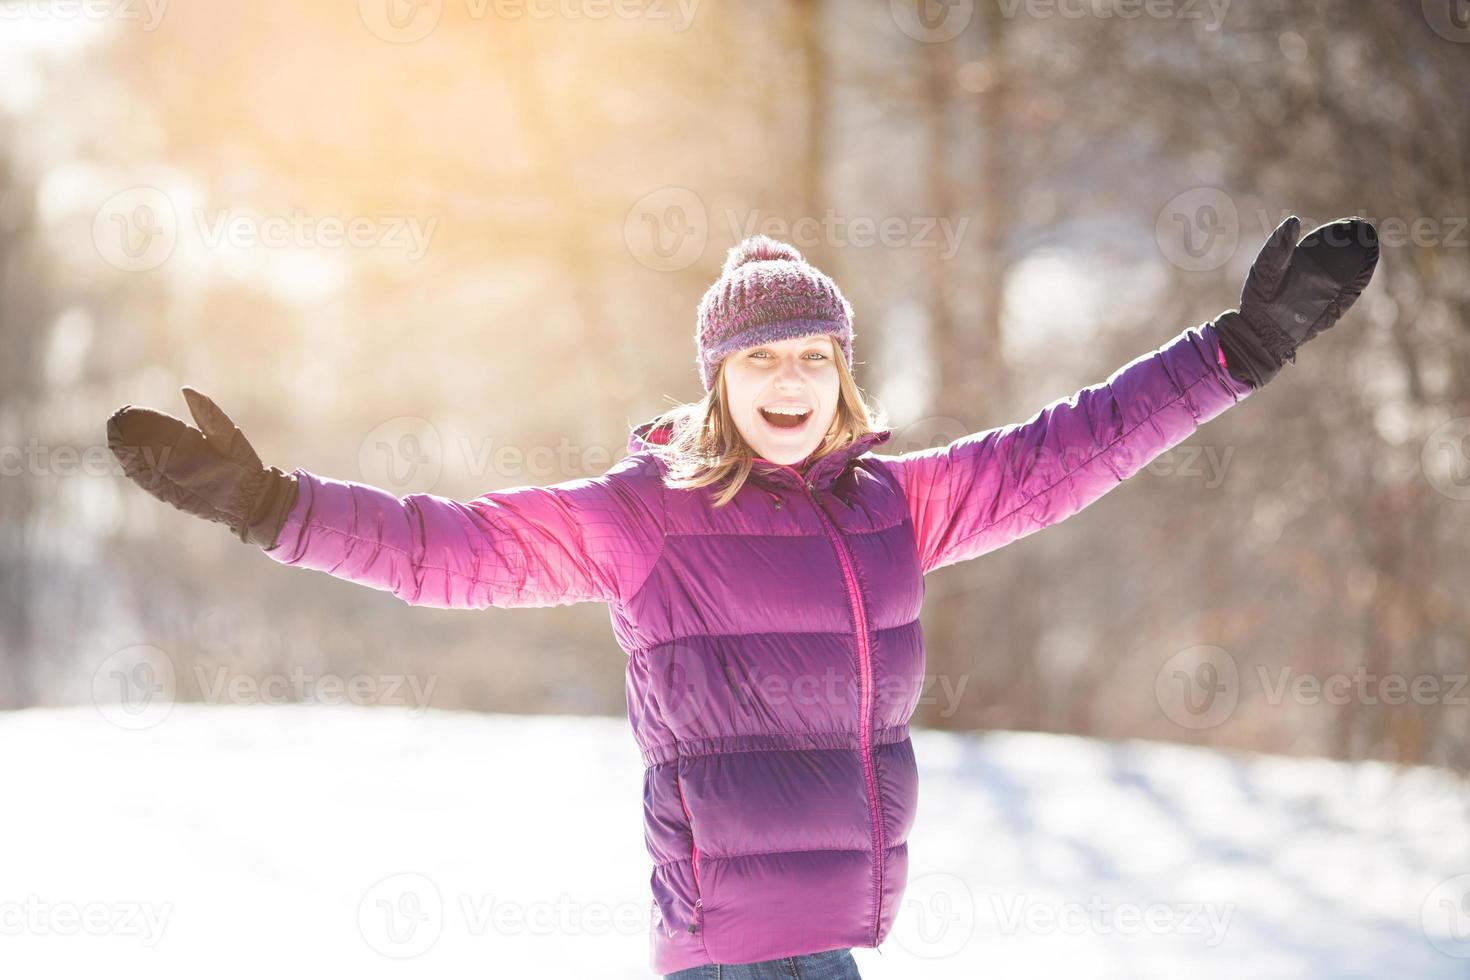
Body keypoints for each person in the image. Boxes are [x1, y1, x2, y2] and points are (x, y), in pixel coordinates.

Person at [106, 215, 1378, 978]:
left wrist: (1232, 353)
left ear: (842, 376)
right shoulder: (644, 515)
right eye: (759, 359)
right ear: (719, 382)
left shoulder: (893, 503)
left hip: (833, 942)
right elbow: (450, 549)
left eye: (812, 359)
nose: (788, 381)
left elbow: (1062, 452)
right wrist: (271, 505)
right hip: (729, 949)